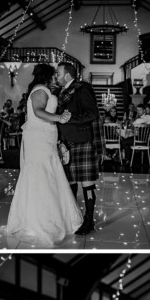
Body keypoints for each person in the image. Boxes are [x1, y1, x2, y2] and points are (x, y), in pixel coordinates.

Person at [6, 64, 82, 246]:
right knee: (42, 175)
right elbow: (39, 112)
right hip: (39, 139)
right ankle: (40, 221)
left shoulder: (44, 89)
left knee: (49, 173)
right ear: (47, 76)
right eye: (54, 73)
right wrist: (59, 117)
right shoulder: (40, 90)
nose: (57, 76)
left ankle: (51, 217)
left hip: (45, 138)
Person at [54, 62, 104, 235]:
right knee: (70, 182)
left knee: (87, 184)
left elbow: (92, 114)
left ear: (67, 74)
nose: (56, 76)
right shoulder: (60, 92)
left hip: (83, 141)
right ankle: (73, 217)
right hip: (65, 142)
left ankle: (89, 221)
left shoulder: (82, 89)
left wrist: (69, 118)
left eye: (58, 73)